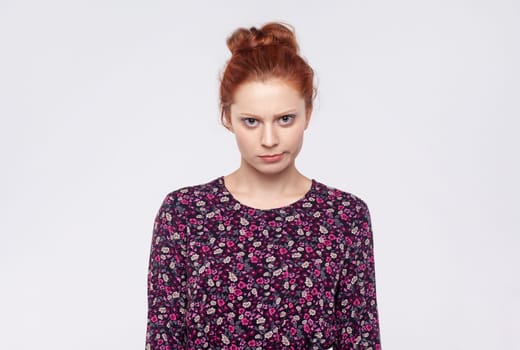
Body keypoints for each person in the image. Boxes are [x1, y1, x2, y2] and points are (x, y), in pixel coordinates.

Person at [145, 22, 381, 350]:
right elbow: (164, 340)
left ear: (308, 114)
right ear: (227, 117)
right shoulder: (184, 214)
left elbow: (361, 340)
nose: (269, 140)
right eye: (251, 121)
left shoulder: (344, 216)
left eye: (285, 119)